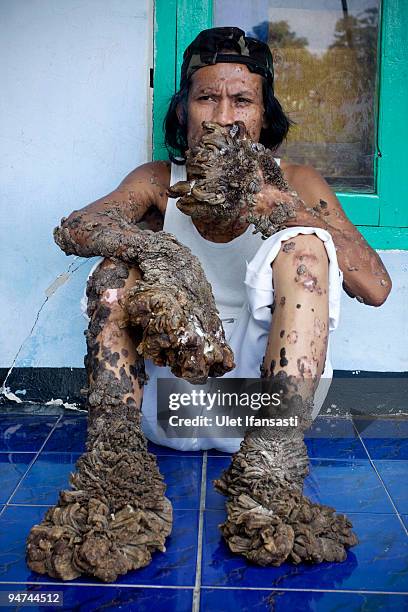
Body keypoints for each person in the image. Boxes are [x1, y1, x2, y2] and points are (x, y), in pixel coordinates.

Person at [49, 26, 393, 571]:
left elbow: (374, 285)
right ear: (184, 110)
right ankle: (116, 477)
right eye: (206, 97)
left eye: (242, 99)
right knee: (117, 268)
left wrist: (276, 202)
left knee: (307, 248)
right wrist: (165, 255)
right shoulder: (161, 181)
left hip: (265, 420)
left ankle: (271, 485)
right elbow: (80, 226)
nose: (223, 115)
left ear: (263, 114)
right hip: (172, 408)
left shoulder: (297, 181)